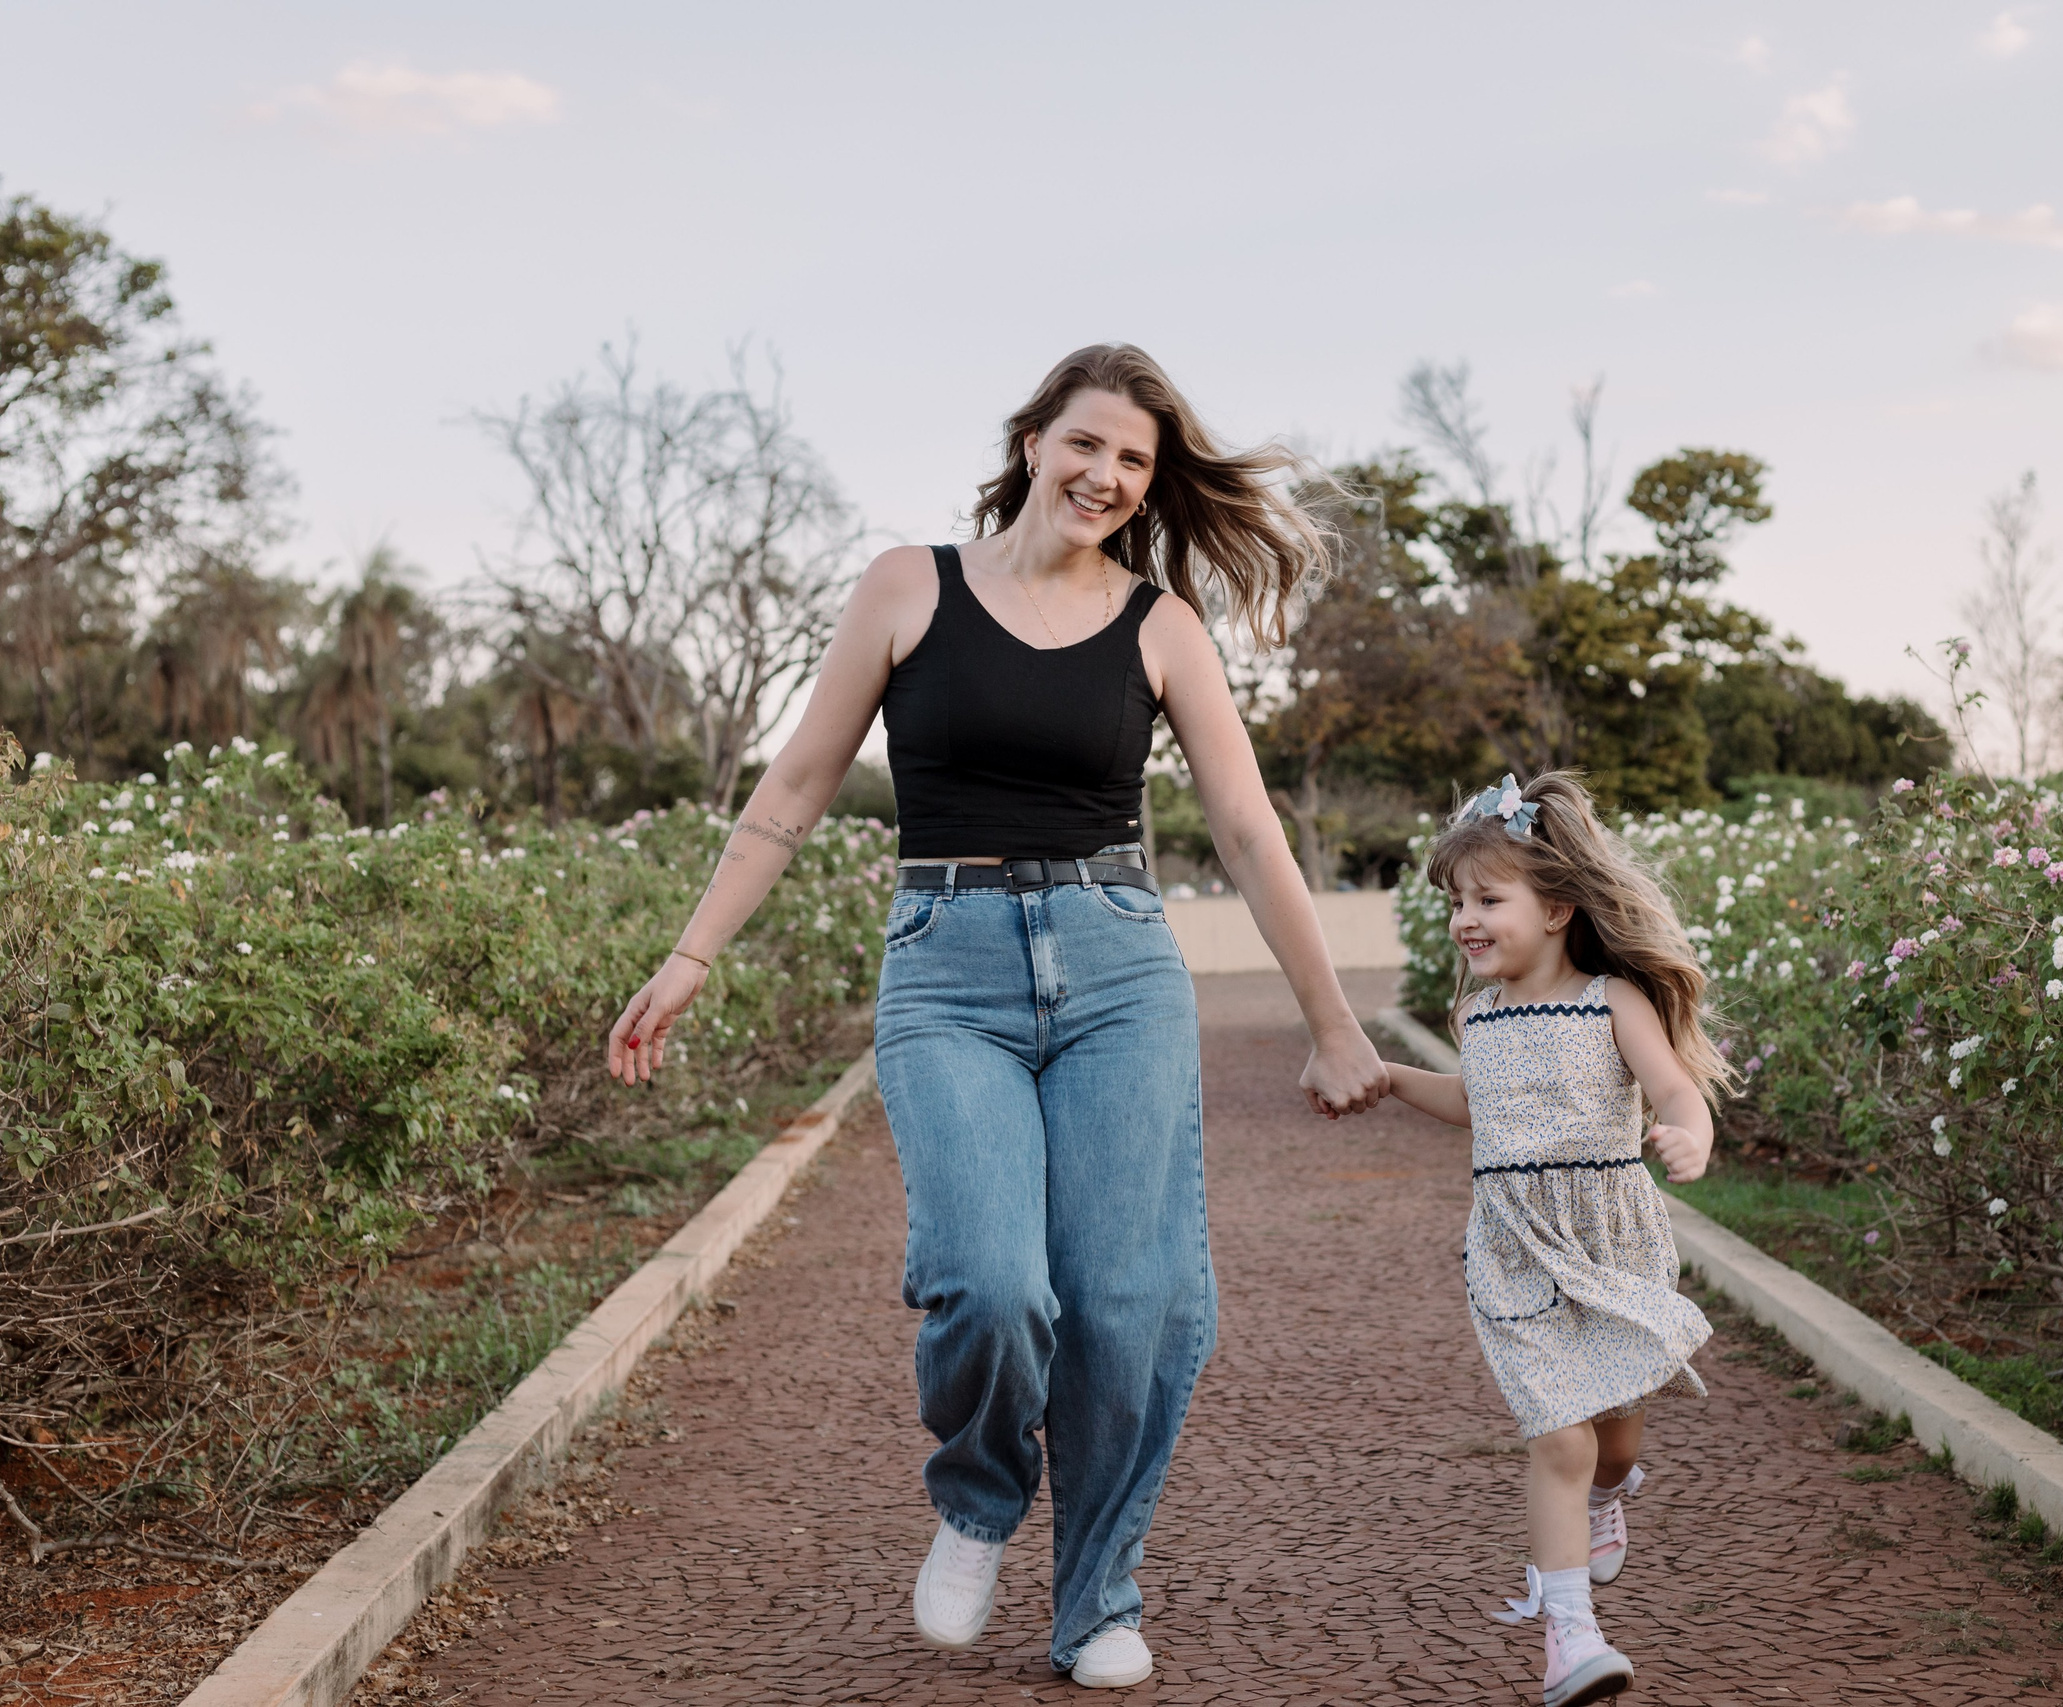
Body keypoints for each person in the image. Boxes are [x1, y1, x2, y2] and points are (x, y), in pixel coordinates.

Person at [604, 344, 1391, 1689]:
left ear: (1150, 482)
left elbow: (1253, 834)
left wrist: (1332, 1020)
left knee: (1124, 1299)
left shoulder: (1160, 626)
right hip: (946, 964)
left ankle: (1094, 1600)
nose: (1106, 475)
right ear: (1035, 439)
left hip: (1119, 964)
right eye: (1087, 443)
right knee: (991, 1280)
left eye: (1134, 460)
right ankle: (977, 1493)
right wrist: (690, 952)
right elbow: (795, 782)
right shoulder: (910, 584)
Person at [1381, 771, 1728, 1707]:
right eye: (1457, 900)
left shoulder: (1614, 1000)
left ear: (1559, 907)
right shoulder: (1475, 1015)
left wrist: (1688, 1131)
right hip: (1513, 1248)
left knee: (1613, 1446)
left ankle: (1615, 1498)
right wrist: (1389, 1075)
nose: (1465, 918)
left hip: (1611, 1240)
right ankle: (1570, 1638)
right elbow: (1474, 1103)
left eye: (1488, 899)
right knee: (1562, 1443)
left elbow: (1673, 1087)